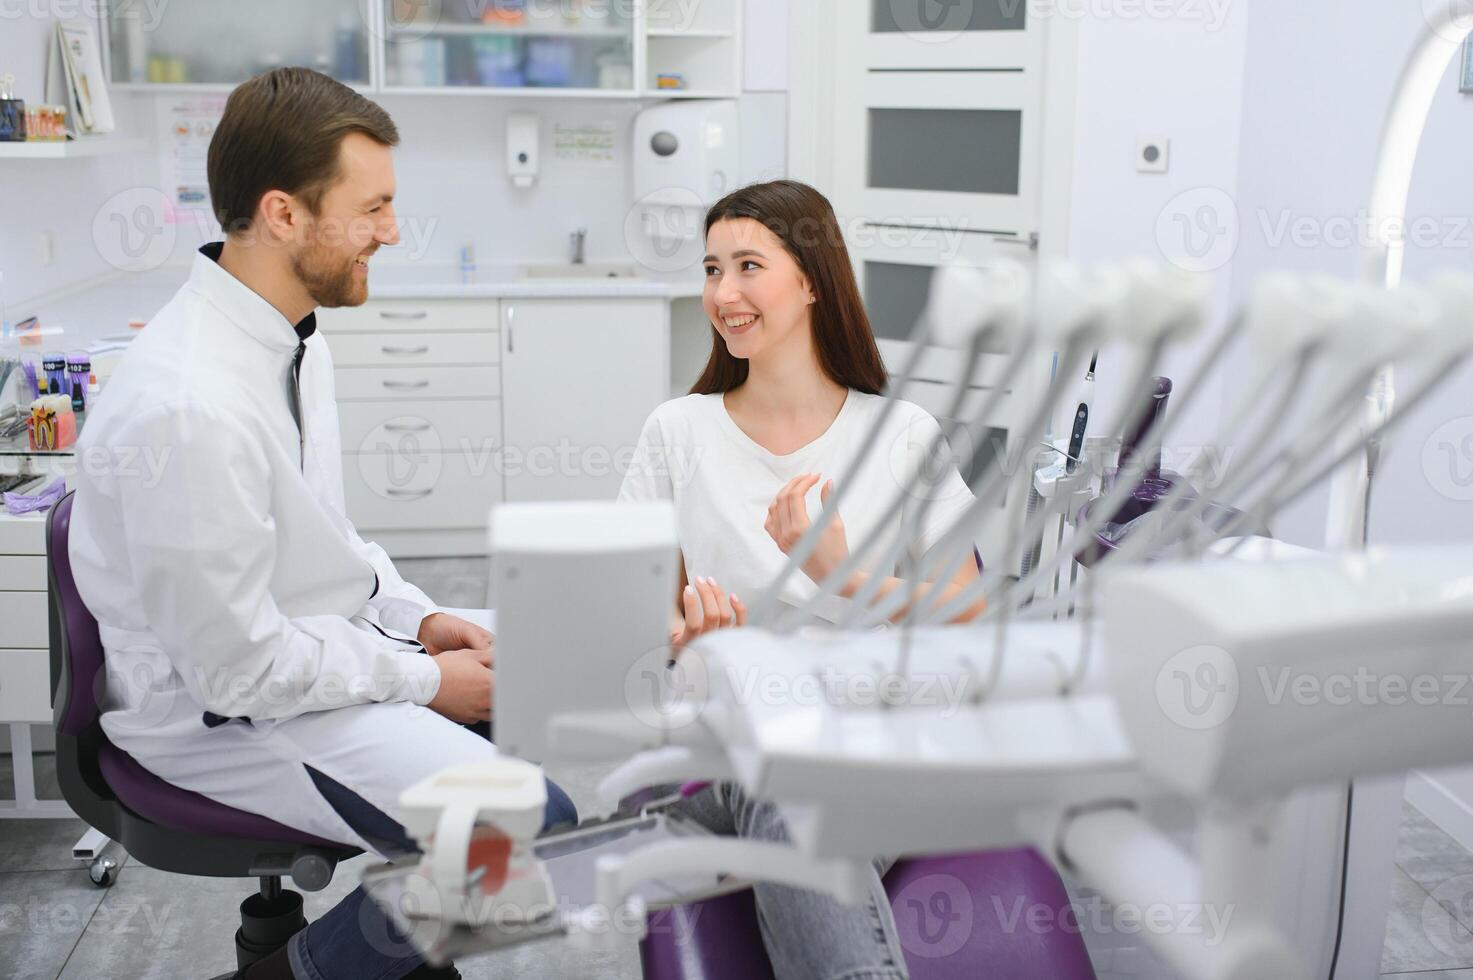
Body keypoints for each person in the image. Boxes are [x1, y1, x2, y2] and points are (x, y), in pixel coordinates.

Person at [68, 68, 574, 980]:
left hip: (300, 658)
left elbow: (326, 547)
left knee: (553, 695)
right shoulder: (190, 405)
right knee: (524, 828)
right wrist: (423, 682)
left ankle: (396, 962)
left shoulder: (290, 336)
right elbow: (234, 671)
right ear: (283, 214)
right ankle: (289, 975)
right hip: (222, 716)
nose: (391, 231)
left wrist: (418, 621)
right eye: (373, 208)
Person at [617, 179, 986, 980]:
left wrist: (844, 579)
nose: (723, 293)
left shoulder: (899, 434)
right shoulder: (676, 433)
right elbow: (630, 628)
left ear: (812, 279)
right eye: (712, 269)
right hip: (735, 743)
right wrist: (686, 645)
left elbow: (969, 613)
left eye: (749, 266)